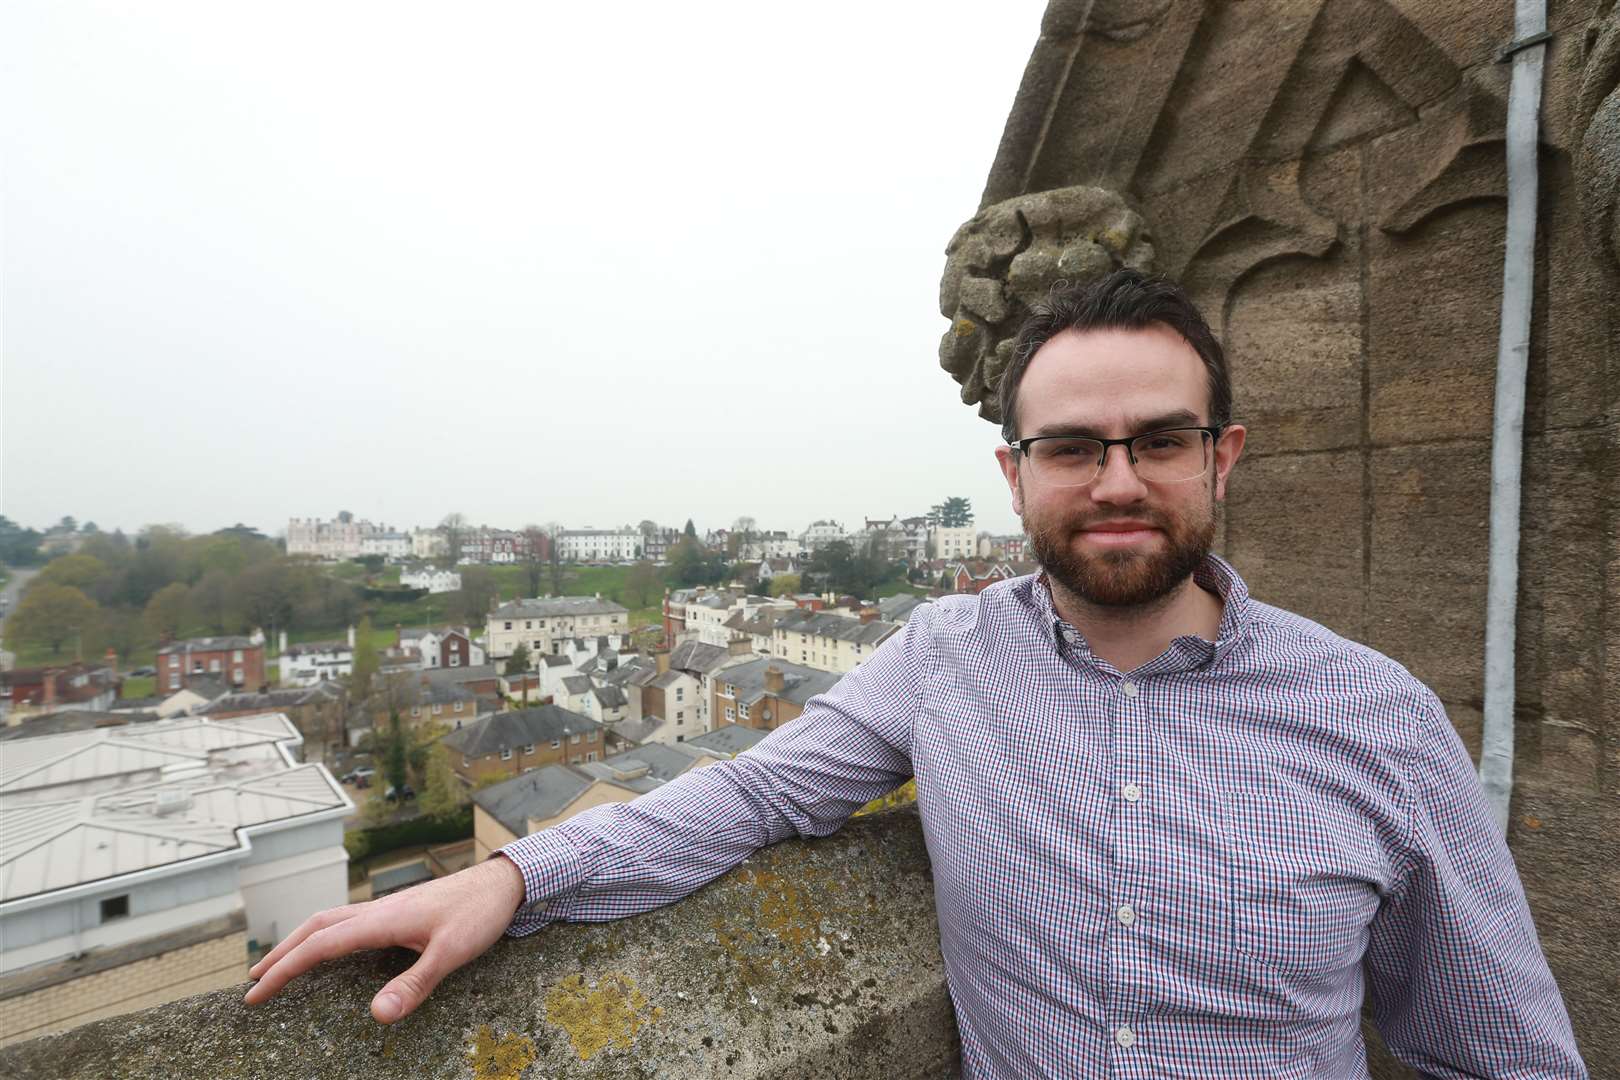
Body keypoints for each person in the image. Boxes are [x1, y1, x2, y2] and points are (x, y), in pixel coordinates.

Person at [246, 270, 1586, 1078]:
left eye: (1157, 441)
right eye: (1072, 449)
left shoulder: (1374, 718)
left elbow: (1503, 1052)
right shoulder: (941, 660)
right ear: (1011, 476)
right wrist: (512, 876)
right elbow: (754, 796)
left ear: (1222, 459)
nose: (1117, 481)